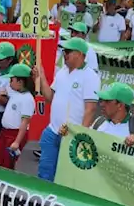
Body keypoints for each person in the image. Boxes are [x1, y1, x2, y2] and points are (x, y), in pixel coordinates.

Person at [38, 38, 101, 181]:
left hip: (70, 136)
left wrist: (79, 136)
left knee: (64, 176)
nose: (64, 54)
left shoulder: (90, 76)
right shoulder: (62, 72)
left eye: (68, 51)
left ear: (79, 54)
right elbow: (49, 97)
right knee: (44, 173)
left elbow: (90, 109)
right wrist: (41, 78)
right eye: (63, 51)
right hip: (52, 131)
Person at [0, 63, 36, 169]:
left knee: (8, 164)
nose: (10, 82)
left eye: (12, 80)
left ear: (20, 82)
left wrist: (17, 142)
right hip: (4, 132)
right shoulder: (15, 93)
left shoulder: (28, 99)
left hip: (14, 134)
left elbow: (25, 122)